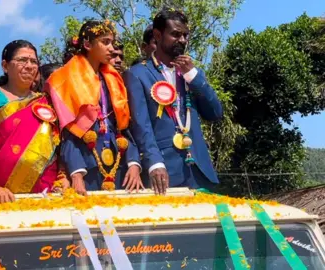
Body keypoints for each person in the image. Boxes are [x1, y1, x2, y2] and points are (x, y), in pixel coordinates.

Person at [123, 8, 223, 193]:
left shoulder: (193, 74)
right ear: (158, 35)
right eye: (176, 34)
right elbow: (141, 126)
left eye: (185, 35)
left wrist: (193, 77)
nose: (183, 40)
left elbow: (215, 113)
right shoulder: (137, 74)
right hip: (164, 174)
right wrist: (154, 163)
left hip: (200, 173)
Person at [0, 40, 69, 203]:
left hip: (47, 196)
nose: (29, 66)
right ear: (5, 66)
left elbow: (60, 146)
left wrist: (63, 177)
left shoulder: (46, 102)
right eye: (22, 60)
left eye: (34, 61)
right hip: (0, 197)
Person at [46, 20, 143, 195]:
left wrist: (134, 163)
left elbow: (124, 127)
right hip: (85, 168)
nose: (112, 49)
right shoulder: (64, 79)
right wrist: (76, 173)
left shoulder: (114, 79)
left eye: (112, 43)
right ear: (87, 44)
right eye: (105, 42)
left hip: (119, 166)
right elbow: (68, 132)